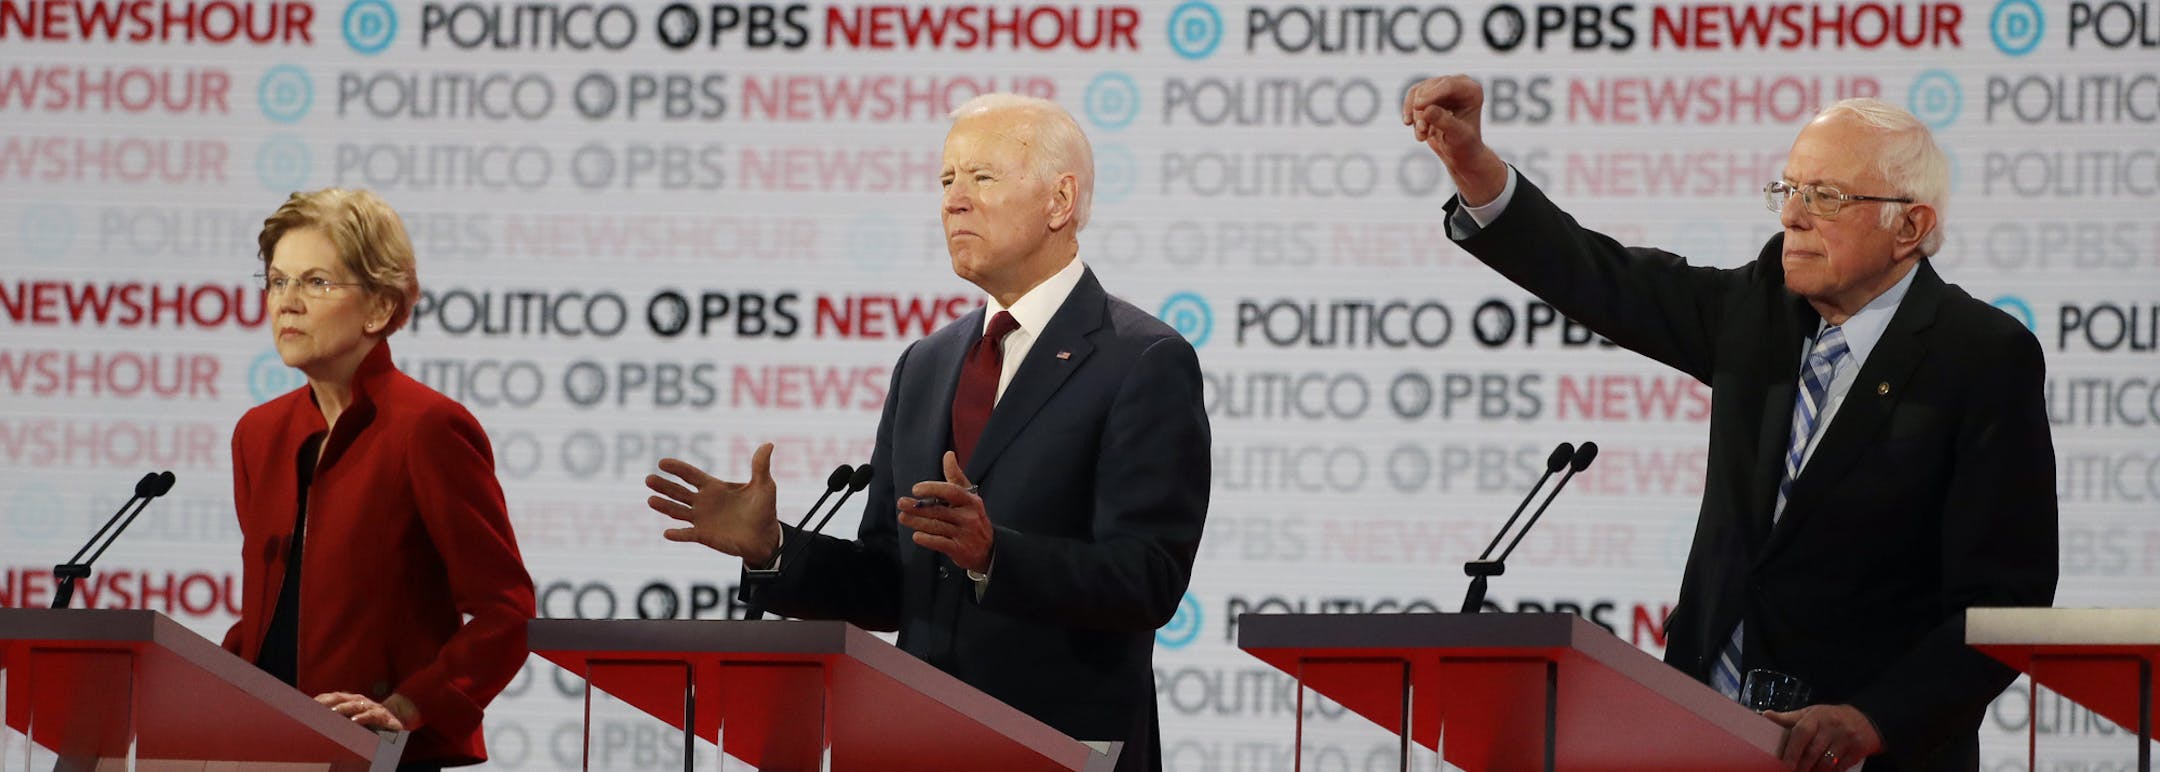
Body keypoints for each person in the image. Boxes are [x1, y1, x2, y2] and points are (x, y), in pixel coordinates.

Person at [1402, 79, 2058, 772]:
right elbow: (1602, 277)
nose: (1794, 216)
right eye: (1790, 191)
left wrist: (1873, 720)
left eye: (1826, 196)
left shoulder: (1981, 356)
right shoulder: (1758, 310)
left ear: (1911, 227)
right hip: (1700, 737)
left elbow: (2003, 602)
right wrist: (1475, 167)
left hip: (1864, 756)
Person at [645, 93, 1210, 772]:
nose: (954, 202)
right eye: (946, 181)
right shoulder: (928, 363)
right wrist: (775, 550)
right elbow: (892, 581)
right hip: (914, 746)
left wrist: (997, 555)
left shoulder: (1141, 360)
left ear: (1060, 201)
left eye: (982, 178)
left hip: (1064, 748)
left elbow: (1147, 578)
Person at [224, 188, 536, 769]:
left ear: (380, 308)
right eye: (277, 281)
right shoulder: (257, 435)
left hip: (382, 756)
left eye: (316, 282)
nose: (287, 303)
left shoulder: (428, 429)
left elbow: (507, 611)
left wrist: (410, 706)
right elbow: (271, 616)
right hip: (263, 750)